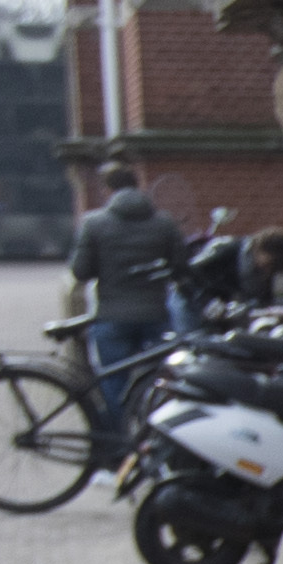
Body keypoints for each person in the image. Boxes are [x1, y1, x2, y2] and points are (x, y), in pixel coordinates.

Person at [69, 159, 184, 431]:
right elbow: (180, 267)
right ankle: (153, 436)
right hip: (155, 314)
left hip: (112, 316)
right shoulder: (164, 223)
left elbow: (80, 271)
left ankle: (120, 441)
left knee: (114, 381)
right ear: (137, 186)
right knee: (160, 380)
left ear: (107, 190)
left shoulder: (94, 223)